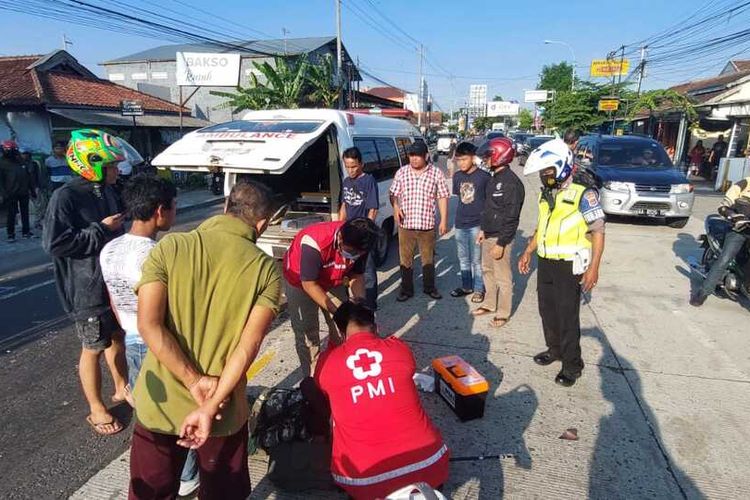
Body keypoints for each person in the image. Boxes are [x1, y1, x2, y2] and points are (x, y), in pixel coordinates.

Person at [130, 180, 282, 499]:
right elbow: (247, 347)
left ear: (226, 206)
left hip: (160, 404)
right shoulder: (266, 270)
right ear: (263, 223)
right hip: (221, 411)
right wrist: (210, 403)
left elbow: (149, 325)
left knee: (151, 492)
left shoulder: (170, 247)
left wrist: (191, 379)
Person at [99, 174, 201, 496]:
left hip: (131, 337)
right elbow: (170, 309)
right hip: (156, 341)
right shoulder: (157, 255)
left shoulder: (110, 249)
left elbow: (115, 303)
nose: (175, 212)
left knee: (153, 412)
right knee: (178, 414)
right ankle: (187, 477)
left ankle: (173, 475)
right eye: (174, 206)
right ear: (160, 211)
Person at [314, 302, 449, 499]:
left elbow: (320, 386)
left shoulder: (328, 363)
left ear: (342, 334)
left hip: (363, 480)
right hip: (430, 465)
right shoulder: (399, 349)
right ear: (376, 328)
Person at [42, 129, 128, 434]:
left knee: (117, 337)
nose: (117, 171)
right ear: (91, 164)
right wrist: (100, 230)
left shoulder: (107, 190)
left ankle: (121, 387)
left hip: (112, 282)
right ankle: (96, 408)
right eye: (112, 166)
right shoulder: (65, 196)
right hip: (85, 288)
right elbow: (55, 243)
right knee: (93, 345)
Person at [519, 139, 606, 387]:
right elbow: (542, 226)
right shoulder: (548, 193)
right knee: (547, 310)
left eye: (548, 171)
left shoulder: (584, 194)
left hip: (569, 265)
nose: (544, 176)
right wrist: (528, 251)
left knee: (567, 316)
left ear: (563, 167)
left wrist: (594, 268)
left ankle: (572, 365)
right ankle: (554, 350)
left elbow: (598, 231)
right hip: (545, 260)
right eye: (542, 172)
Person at [283, 218, 380, 377]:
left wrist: (360, 305)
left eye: (358, 254)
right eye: (352, 252)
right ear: (340, 238)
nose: (354, 256)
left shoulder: (362, 243)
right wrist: (338, 311)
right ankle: (313, 378)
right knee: (308, 333)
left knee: (345, 327)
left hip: (332, 279)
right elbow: (310, 285)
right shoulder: (314, 242)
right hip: (301, 282)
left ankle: (341, 366)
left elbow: (357, 275)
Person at [472, 137, 525, 328]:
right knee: (487, 270)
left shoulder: (512, 184)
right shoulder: (494, 179)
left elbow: (512, 217)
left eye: (489, 156)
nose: (485, 160)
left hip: (501, 237)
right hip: (488, 233)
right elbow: (489, 208)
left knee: (503, 277)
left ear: (500, 156)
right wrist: (483, 230)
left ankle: (503, 312)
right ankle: (489, 303)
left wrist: (501, 243)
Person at [389, 141, 450, 301]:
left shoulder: (436, 173)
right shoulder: (402, 173)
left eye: (417, 156)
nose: (414, 159)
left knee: (428, 258)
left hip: (427, 225)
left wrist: (443, 220)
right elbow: (393, 193)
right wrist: (395, 207)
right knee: (405, 259)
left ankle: (429, 288)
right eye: (411, 156)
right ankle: (406, 290)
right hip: (406, 225)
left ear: (426, 156)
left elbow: (442, 196)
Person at [691, 177, 750, 306]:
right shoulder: (744, 184)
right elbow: (723, 207)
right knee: (724, 259)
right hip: (739, 229)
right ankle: (703, 293)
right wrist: (735, 217)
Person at [338, 146, 380, 310]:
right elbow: (344, 205)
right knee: (348, 269)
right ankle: (353, 300)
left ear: (361, 164)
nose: (351, 170)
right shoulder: (347, 181)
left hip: (363, 234)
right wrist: (339, 227)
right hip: (348, 233)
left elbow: (373, 209)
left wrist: (367, 234)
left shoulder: (368, 180)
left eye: (354, 166)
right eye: (347, 166)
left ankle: (370, 304)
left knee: (367, 270)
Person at [450, 141, 490, 303]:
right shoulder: (457, 176)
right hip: (460, 223)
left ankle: (479, 289)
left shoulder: (484, 177)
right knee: (463, 258)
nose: (461, 163)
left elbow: (489, 203)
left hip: (477, 224)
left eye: (464, 159)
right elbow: (459, 198)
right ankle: (466, 286)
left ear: (473, 158)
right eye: (458, 160)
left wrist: (485, 228)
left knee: (477, 260)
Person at [1, 140, 36, 242]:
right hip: (10, 193)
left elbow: (28, 177)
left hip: (23, 191)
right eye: (8, 149)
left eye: (13, 149)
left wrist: (32, 190)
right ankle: (11, 234)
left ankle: (26, 232)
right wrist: (3, 193)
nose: (11, 151)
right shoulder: (2, 163)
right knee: (11, 214)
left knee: (25, 213)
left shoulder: (21, 161)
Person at [20, 147, 50, 230]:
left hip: (35, 187)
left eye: (25, 153)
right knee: (22, 208)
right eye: (22, 153)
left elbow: (38, 176)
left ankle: (38, 222)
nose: (23, 155)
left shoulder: (34, 164)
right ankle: (23, 225)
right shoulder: (18, 164)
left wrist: (39, 187)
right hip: (22, 189)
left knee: (39, 206)